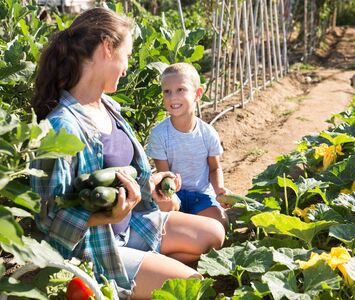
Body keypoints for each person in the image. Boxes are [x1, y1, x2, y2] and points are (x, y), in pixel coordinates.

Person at [31, 8, 225, 299]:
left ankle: (143, 277)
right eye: (128, 56)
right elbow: (46, 220)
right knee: (191, 288)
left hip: (132, 224)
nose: (126, 68)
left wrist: (153, 183)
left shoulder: (109, 106)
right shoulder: (62, 128)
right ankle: (103, 287)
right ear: (108, 48)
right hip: (95, 247)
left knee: (215, 234)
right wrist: (100, 218)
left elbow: (123, 171)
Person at [145, 63, 229, 230]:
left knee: (221, 224)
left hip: (202, 195)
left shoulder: (208, 133)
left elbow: (214, 168)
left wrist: (219, 189)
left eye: (180, 90)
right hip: (174, 194)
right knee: (164, 215)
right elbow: (163, 174)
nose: (172, 97)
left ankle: (188, 228)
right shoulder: (160, 134)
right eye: (167, 91)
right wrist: (171, 189)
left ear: (197, 94)